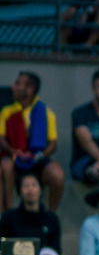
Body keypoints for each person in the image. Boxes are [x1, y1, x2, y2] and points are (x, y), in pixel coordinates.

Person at [0, 71, 64, 211]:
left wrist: (38, 157)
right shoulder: (6, 111)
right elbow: (1, 138)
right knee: (5, 165)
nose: (13, 87)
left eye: (18, 84)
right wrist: (13, 151)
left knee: (57, 174)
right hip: (14, 158)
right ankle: (8, 214)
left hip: (37, 159)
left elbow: (53, 144)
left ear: (30, 89)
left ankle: (51, 215)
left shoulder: (46, 112)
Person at [0, 174, 62, 254]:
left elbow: (55, 252)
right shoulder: (8, 218)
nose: (30, 189)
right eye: (26, 186)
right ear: (19, 191)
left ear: (41, 189)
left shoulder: (52, 219)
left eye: (34, 185)